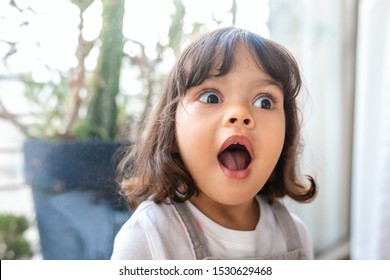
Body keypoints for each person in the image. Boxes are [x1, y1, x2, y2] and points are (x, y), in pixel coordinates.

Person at [111, 27, 317, 260]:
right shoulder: (148, 239)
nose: (240, 114)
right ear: (171, 129)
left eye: (265, 102)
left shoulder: (297, 235)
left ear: (286, 135)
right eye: (211, 97)